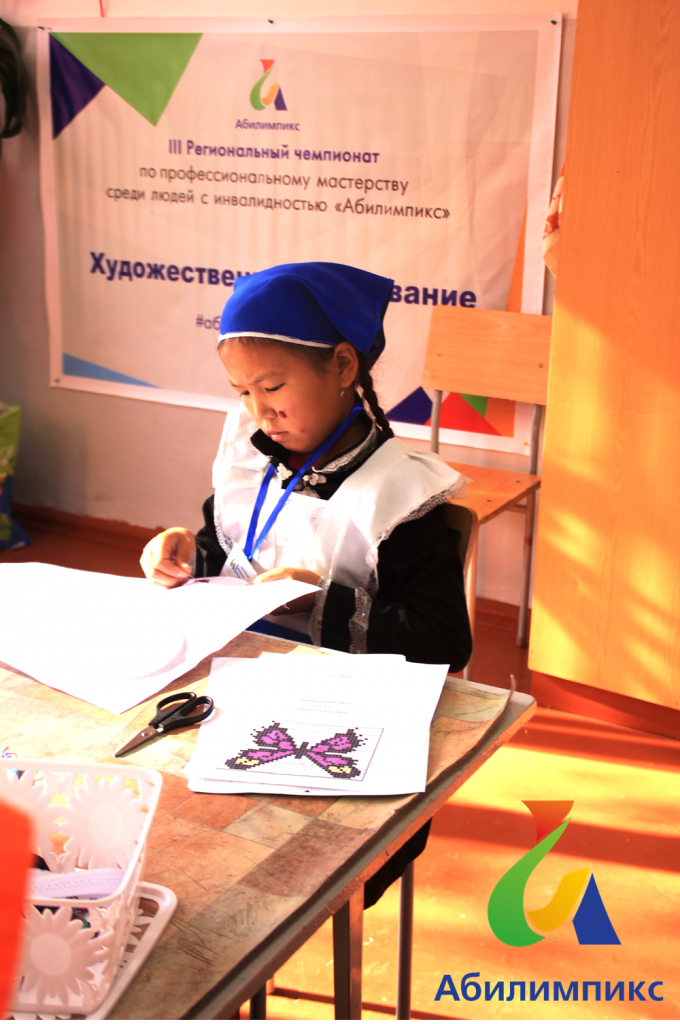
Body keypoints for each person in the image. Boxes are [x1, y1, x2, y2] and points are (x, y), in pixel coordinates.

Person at [141, 261, 472, 904]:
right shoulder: (254, 461)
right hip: (237, 703)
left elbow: (442, 641)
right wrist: (186, 552)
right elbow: (226, 557)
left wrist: (320, 601)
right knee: (178, 849)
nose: (258, 411)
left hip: (342, 730)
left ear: (343, 366)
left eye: (272, 386)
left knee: (271, 883)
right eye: (241, 391)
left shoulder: (404, 495)